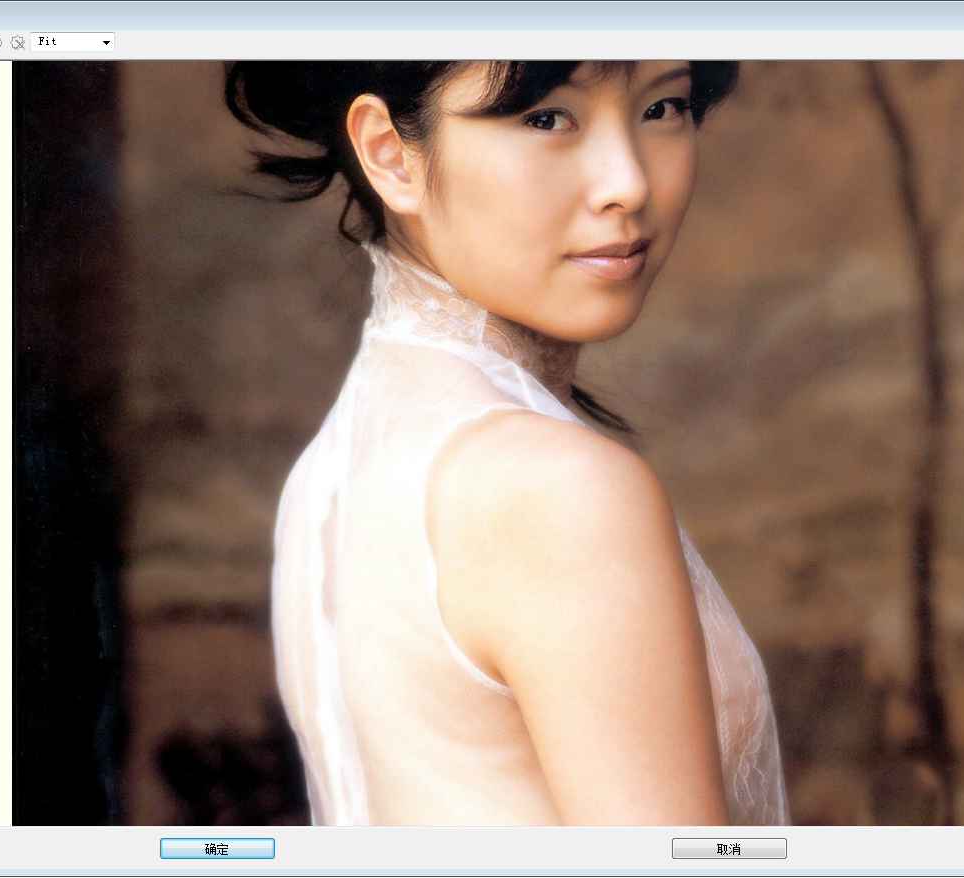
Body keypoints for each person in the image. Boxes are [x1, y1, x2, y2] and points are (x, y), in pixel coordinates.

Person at [229, 59, 789, 825]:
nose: (628, 183)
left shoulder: (342, 463)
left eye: (663, 108)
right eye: (546, 118)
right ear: (390, 153)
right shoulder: (553, 488)